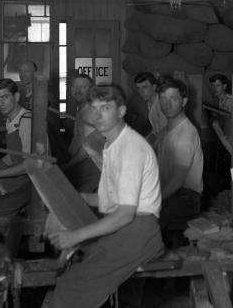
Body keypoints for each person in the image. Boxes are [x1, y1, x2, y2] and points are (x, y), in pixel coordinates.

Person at [48, 85, 163, 308]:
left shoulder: (130, 148)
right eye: (94, 108)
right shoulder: (112, 144)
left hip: (138, 232)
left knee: (71, 286)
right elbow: (108, 201)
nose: (98, 114)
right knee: (79, 264)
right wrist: (75, 198)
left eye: (106, 107)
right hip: (126, 226)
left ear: (121, 111)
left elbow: (124, 214)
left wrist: (75, 236)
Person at [0, 79, 33, 233]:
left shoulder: (26, 121)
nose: (0, 103)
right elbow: (13, 156)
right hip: (23, 178)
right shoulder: (11, 120)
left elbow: (29, 164)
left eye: (5, 97)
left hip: (36, 181)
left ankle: (12, 250)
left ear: (16, 97)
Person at [154, 77, 203, 229]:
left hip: (186, 197)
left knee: (146, 224)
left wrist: (150, 200)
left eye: (173, 99)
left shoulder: (185, 135)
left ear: (184, 101)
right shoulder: (167, 129)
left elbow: (177, 181)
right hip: (171, 190)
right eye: (163, 99)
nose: (166, 104)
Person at [62, 74, 102, 192]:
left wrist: (67, 165)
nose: (77, 90)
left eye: (82, 87)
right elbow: (77, 140)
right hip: (87, 162)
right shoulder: (82, 110)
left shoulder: (92, 111)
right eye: (74, 87)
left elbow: (87, 150)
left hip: (97, 166)